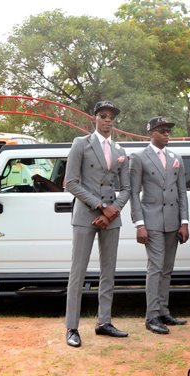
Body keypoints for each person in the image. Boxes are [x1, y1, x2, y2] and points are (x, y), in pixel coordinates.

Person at [64, 100, 131, 348]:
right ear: (95, 118)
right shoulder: (81, 144)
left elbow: (126, 188)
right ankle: (72, 327)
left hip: (111, 218)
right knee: (78, 273)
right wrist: (100, 206)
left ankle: (104, 322)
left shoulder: (120, 151)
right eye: (103, 115)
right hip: (86, 215)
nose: (107, 120)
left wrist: (112, 211)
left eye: (111, 116)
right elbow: (71, 182)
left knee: (108, 272)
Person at [130, 116, 190, 335]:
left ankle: (163, 310)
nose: (167, 134)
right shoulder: (139, 157)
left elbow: (182, 192)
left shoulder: (176, 157)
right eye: (162, 130)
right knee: (155, 268)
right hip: (152, 220)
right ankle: (152, 316)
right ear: (150, 133)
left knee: (167, 268)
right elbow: (134, 193)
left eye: (168, 131)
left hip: (173, 221)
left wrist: (184, 222)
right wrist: (139, 224)